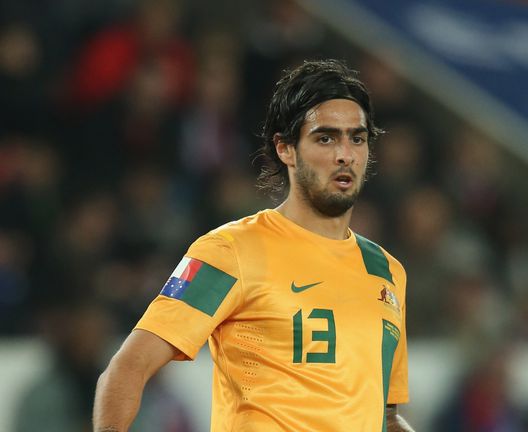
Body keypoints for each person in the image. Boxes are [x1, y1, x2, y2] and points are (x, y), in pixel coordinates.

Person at [93, 59, 415, 431]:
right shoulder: (231, 250)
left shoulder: (388, 271)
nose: (345, 154)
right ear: (286, 149)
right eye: (325, 138)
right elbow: (128, 368)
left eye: (356, 138)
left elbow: (385, 416)